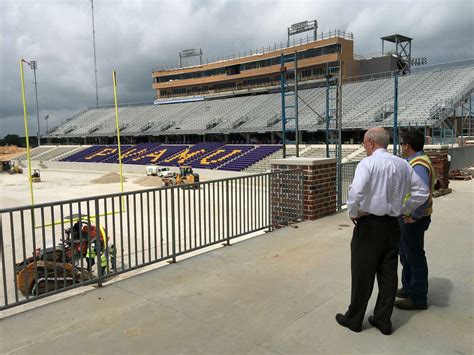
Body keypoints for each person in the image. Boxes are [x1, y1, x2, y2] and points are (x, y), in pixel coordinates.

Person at [335, 127, 429, 335]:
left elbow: (356, 191)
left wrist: (354, 212)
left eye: (364, 143)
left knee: (363, 273)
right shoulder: (403, 164)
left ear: (370, 143)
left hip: (369, 225)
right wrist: (405, 209)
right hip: (392, 225)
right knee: (388, 274)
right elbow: (423, 191)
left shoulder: (367, 163)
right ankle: (383, 320)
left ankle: (354, 318)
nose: (363, 147)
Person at [396, 129, 436, 310]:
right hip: (408, 216)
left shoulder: (419, 164)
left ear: (408, 145)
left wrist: (415, 215)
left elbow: (423, 194)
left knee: (414, 256)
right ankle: (409, 287)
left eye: (402, 143)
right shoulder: (413, 161)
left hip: (413, 219)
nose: (401, 147)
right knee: (405, 254)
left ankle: (418, 297)